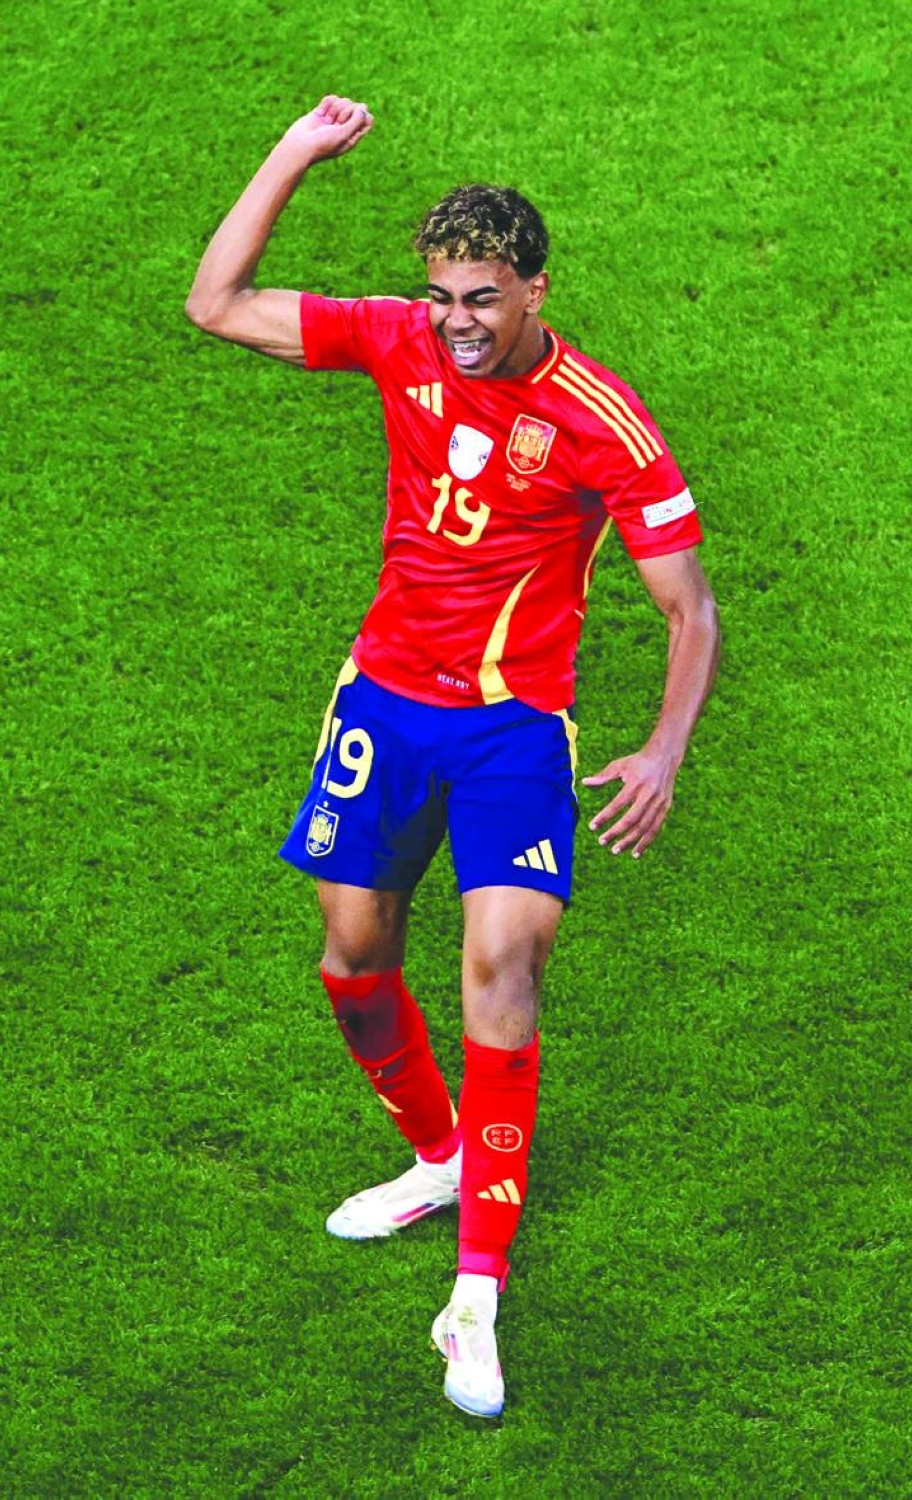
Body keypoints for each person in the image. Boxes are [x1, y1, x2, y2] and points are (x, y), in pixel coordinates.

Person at [186, 95, 719, 1419]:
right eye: (443, 297)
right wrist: (298, 152)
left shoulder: (604, 421)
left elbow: (687, 608)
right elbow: (216, 302)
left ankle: (473, 1298)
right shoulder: (398, 342)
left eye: (483, 296)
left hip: (509, 732)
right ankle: (436, 1158)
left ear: (536, 288)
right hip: (379, 704)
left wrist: (660, 749)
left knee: (501, 967)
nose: (459, 321)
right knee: (351, 958)